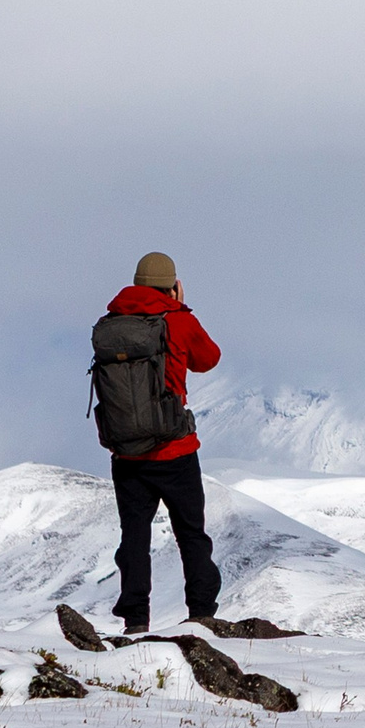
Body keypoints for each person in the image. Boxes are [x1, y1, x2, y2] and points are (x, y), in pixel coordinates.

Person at [101, 251, 222, 634]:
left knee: (134, 537)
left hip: (126, 452)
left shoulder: (110, 323)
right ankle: (201, 616)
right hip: (175, 450)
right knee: (191, 533)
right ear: (171, 285)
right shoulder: (178, 321)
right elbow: (209, 359)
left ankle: (135, 621)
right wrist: (178, 306)